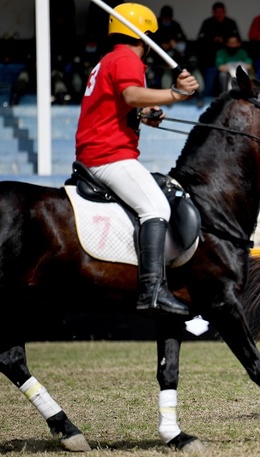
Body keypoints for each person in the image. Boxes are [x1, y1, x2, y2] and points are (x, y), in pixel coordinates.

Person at [75, 3, 199, 316]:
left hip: (94, 152)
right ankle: (153, 289)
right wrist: (175, 93)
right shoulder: (127, 59)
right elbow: (130, 95)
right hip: (109, 155)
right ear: (143, 36)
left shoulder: (109, 59)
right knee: (156, 207)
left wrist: (145, 114)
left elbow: (122, 104)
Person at [196, 2, 240, 98]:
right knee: (209, 86)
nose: (219, 14)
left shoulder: (231, 23)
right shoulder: (207, 23)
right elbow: (200, 41)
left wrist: (224, 40)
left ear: (225, 12)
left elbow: (237, 41)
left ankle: (226, 101)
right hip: (210, 60)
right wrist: (212, 39)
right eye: (217, 12)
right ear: (213, 13)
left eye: (221, 12)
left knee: (227, 80)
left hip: (227, 59)